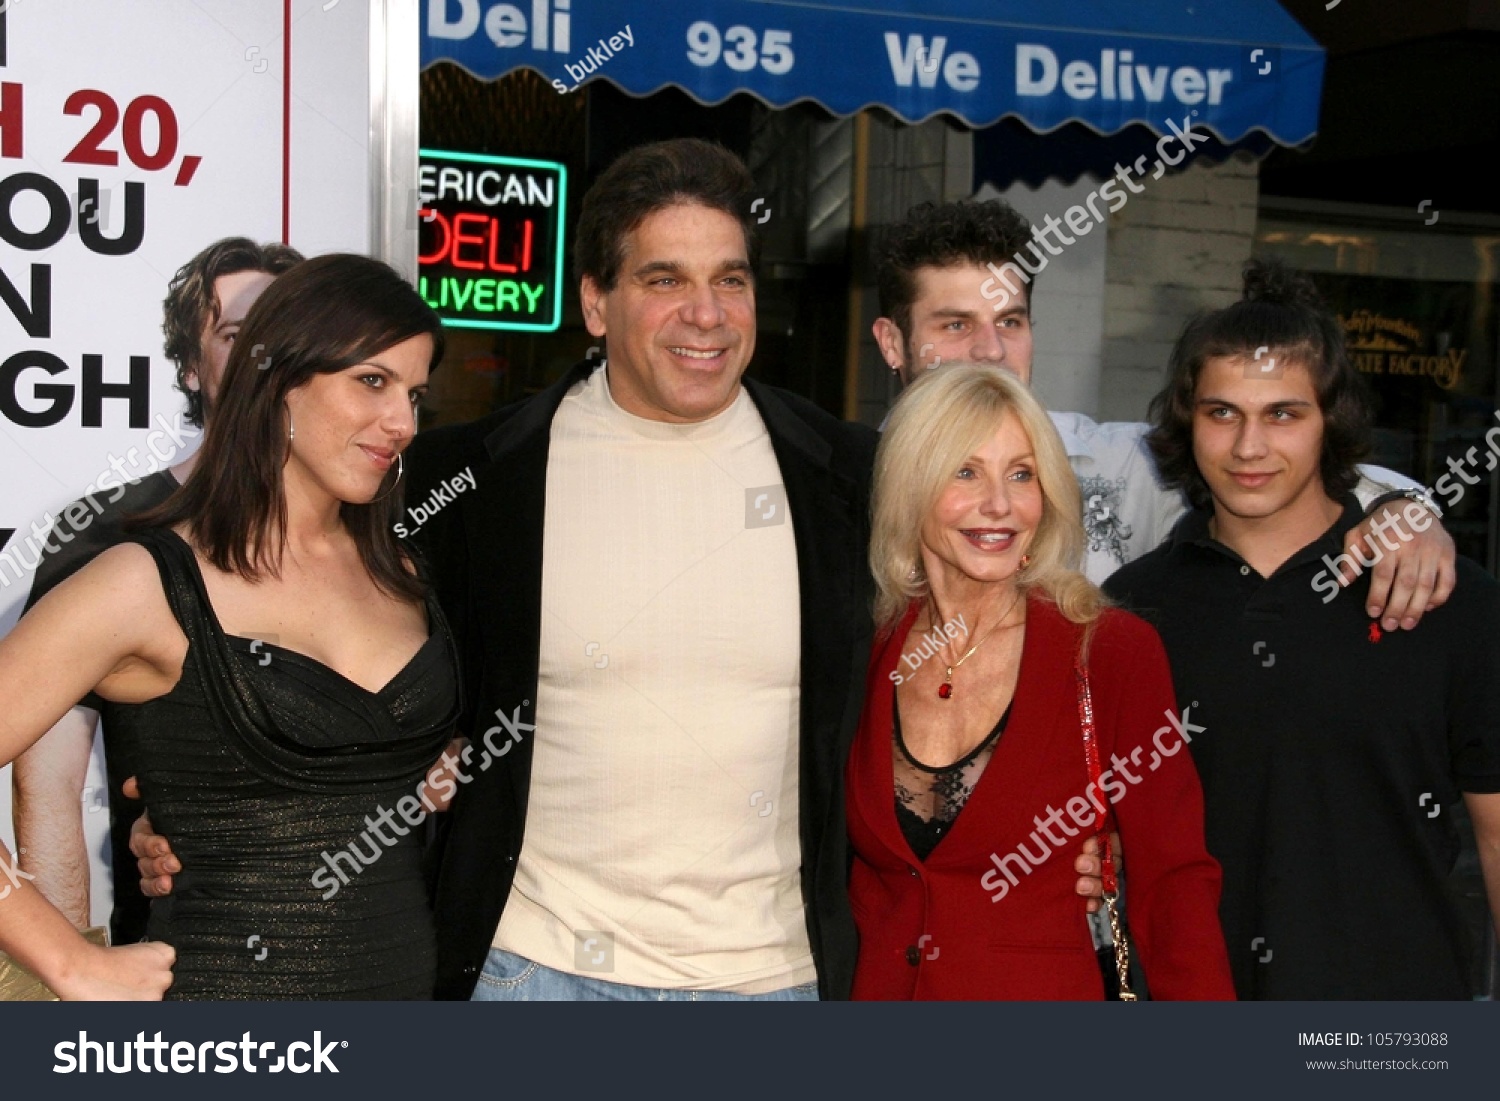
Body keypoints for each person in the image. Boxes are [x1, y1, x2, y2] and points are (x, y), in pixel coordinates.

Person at [0, 254, 458, 999]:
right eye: (371, 381)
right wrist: (67, 959)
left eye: (414, 392)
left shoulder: (401, 566)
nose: (402, 422)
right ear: (276, 382)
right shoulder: (146, 579)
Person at [1103, 262, 1500, 998]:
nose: (1250, 447)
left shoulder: (1447, 600)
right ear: (1189, 422)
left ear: (1332, 422)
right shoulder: (1127, 610)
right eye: (1223, 413)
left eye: (1283, 413)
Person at [848, 362, 1235, 999]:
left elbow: (1176, 883)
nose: (999, 504)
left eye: (1022, 474)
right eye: (964, 471)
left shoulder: (1108, 652)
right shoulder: (867, 650)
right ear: (909, 486)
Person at [872, 199, 1456, 621]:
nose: (990, 350)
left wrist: (1405, 512)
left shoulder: (1110, 464)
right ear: (892, 342)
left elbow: (1297, 473)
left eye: (1009, 322)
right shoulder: (846, 482)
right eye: (955, 325)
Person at [11, 238, 302, 944]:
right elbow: (46, 791)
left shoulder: (370, 540)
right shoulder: (105, 537)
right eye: (236, 335)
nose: (264, 357)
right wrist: (73, 970)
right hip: (176, 962)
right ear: (190, 368)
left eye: (283, 335)